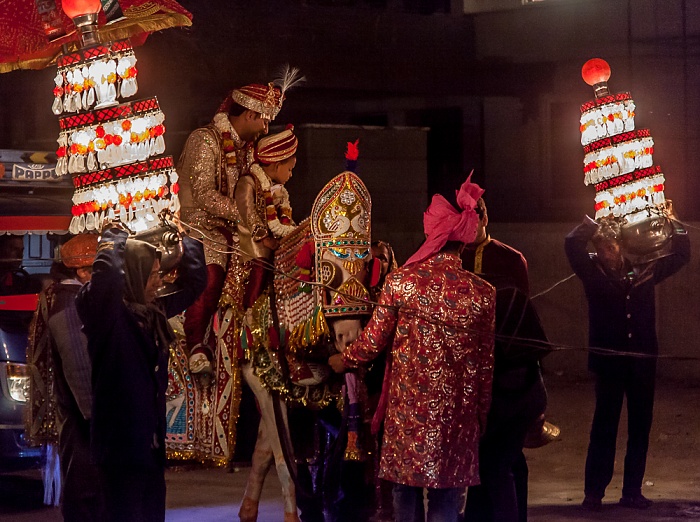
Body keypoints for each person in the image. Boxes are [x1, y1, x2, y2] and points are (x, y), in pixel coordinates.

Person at [329, 176, 495, 522]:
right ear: (462, 243)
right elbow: (484, 367)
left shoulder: (402, 283)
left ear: (432, 235)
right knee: (447, 499)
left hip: (409, 414)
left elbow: (372, 341)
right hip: (457, 416)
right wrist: (479, 417)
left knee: (404, 493)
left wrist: (343, 359)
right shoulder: (482, 293)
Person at [76, 221, 207, 522]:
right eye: (152, 276)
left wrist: (186, 240)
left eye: (159, 274)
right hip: (120, 452)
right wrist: (113, 236)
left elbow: (195, 283)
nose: (159, 283)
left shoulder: (151, 313)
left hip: (149, 448)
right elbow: (106, 279)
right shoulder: (107, 316)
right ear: (132, 276)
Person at [178, 68, 302, 374]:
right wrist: (250, 216)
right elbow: (205, 196)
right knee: (214, 267)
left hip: (237, 227)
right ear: (248, 114)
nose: (264, 128)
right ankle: (196, 344)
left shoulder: (248, 151)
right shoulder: (204, 140)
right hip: (200, 226)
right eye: (263, 120)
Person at [565, 214, 690, 511]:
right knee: (604, 426)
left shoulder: (646, 270)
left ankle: (632, 491)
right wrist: (592, 223)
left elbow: (682, 254)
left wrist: (675, 222)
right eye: (601, 247)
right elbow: (571, 243)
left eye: (610, 246)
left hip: (642, 363)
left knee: (640, 427)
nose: (605, 253)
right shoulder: (592, 272)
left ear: (620, 246)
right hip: (610, 364)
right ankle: (594, 492)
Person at [461, 197, 548, 522]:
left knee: (505, 463)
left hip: (510, 375)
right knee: (481, 462)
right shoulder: (454, 258)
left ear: (485, 217)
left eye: (475, 219)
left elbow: (526, 319)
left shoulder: (511, 259)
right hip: (470, 376)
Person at [233, 125, 301, 522]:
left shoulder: (279, 193)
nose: (293, 170)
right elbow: (254, 233)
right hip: (249, 267)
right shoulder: (248, 185)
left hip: (270, 260)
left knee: (272, 416)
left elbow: (282, 227)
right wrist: (284, 243)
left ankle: (251, 503)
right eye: (290, 164)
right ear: (275, 162)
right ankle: (292, 507)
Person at [27, 234, 102, 521]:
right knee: (88, 496)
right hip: (84, 424)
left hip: (80, 422)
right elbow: (81, 372)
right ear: (83, 272)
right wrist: (102, 421)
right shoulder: (70, 306)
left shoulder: (68, 300)